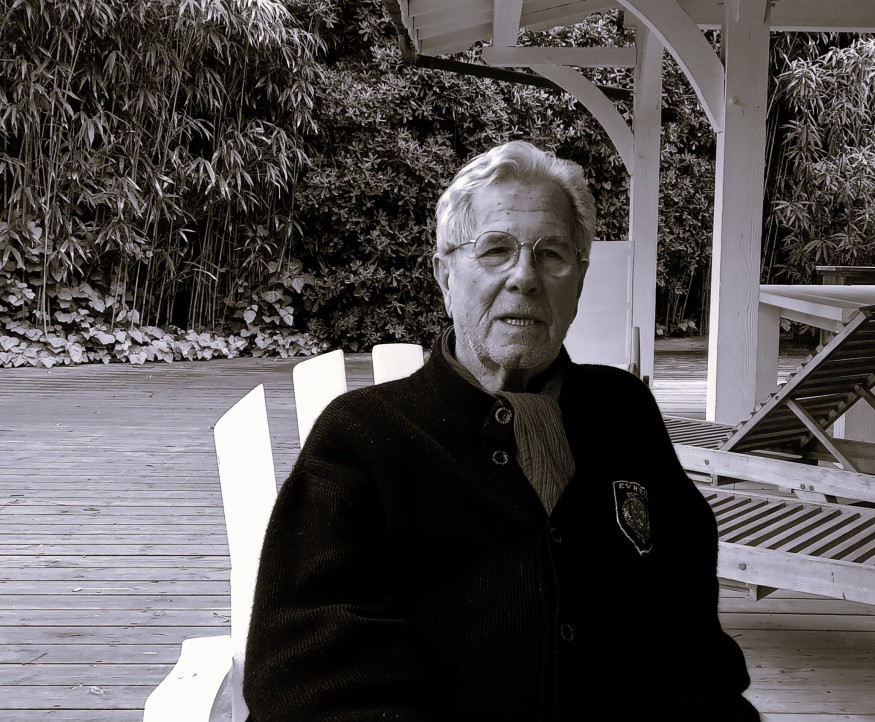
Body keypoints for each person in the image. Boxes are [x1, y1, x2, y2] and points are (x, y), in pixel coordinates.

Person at [243, 140, 760, 721]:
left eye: (552, 254)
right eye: (495, 250)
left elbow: (691, 641)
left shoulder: (623, 412)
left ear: (579, 279)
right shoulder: (362, 439)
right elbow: (307, 678)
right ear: (445, 275)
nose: (525, 278)